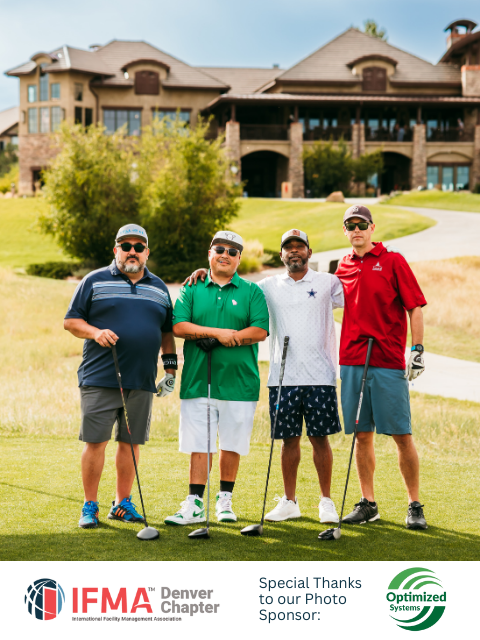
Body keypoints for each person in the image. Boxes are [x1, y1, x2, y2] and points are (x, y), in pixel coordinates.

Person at [184, 229, 344, 525]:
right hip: (282, 378)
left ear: (309, 252)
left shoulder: (329, 283)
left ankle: (326, 502)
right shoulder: (267, 286)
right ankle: (290, 502)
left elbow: (359, 298)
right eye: (288, 247)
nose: (294, 251)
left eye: (300, 246)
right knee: (288, 441)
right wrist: (202, 272)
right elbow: (233, 283)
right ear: (281, 255)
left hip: (321, 375)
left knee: (320, 440)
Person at [64, 224, 177, 529]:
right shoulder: (94, 280)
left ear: (147, 252)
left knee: (131, 443)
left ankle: (122, 503)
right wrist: (95, 332)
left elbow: (167, 331)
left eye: (139, 246)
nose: (132, 251)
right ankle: (90, 506)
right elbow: (71, 321)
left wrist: (170, 369)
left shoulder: (159, 287)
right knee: (95, 441)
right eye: (125, 245)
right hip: (100, 377)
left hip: (141, 380)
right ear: (115, 250)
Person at [165, 231, 269, 525]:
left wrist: (224, 339)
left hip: (239, 381)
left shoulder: (252, 291)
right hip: (199, 378)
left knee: (232, 443)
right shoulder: (192, 288)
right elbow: (180, 326)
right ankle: (195, 503)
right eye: (219, 249)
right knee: (200, 442)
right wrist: (217, 332)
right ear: (209, 252)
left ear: (239, 258)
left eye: (232, 251)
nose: (225, 254)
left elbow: (259, 331)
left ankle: (225, 501)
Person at [336, 205, 428, 530]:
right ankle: (368, 504)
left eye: (362, 224)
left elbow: (414, 307)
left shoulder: (393, 261)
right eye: (351, 225)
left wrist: (416, 350)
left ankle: (414, 505)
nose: (356, 229)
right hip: (351, 361)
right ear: (345, 231)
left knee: (401, 435)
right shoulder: (342, 266)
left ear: (372, 228)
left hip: (387, 360)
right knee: (362, 436)